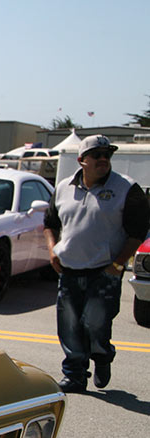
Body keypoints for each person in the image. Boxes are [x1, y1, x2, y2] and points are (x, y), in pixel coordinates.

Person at [43, 135, 150, 392]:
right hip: (69, 268)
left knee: (95, 323)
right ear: (82, 160)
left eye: (107, 155)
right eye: (97, 155)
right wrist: (52, 250)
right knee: (69, 324)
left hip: (104, 270)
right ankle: (74, 374)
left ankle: (102, 356)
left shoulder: (127, 188)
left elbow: (138, 232)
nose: (103, 159)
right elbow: (50, 223)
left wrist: (118, 264)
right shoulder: (64, 188)